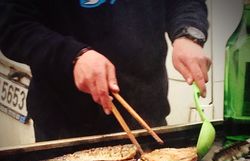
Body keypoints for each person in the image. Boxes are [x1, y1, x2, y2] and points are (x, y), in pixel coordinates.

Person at [0, 0, 211, 142]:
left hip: (146, 119)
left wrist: (188, 34)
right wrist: (73, 56)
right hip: (64, 128)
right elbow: (12, 26)